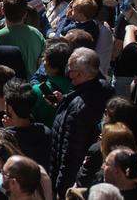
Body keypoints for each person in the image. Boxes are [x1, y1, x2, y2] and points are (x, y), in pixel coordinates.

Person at [51, 48, 115, 195]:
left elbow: (71, 151)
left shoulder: (80, 107)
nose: (67, 72)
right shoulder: (103, 88)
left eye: (70, 68)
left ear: (79, 74)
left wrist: (62, 189)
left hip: (73, 178)